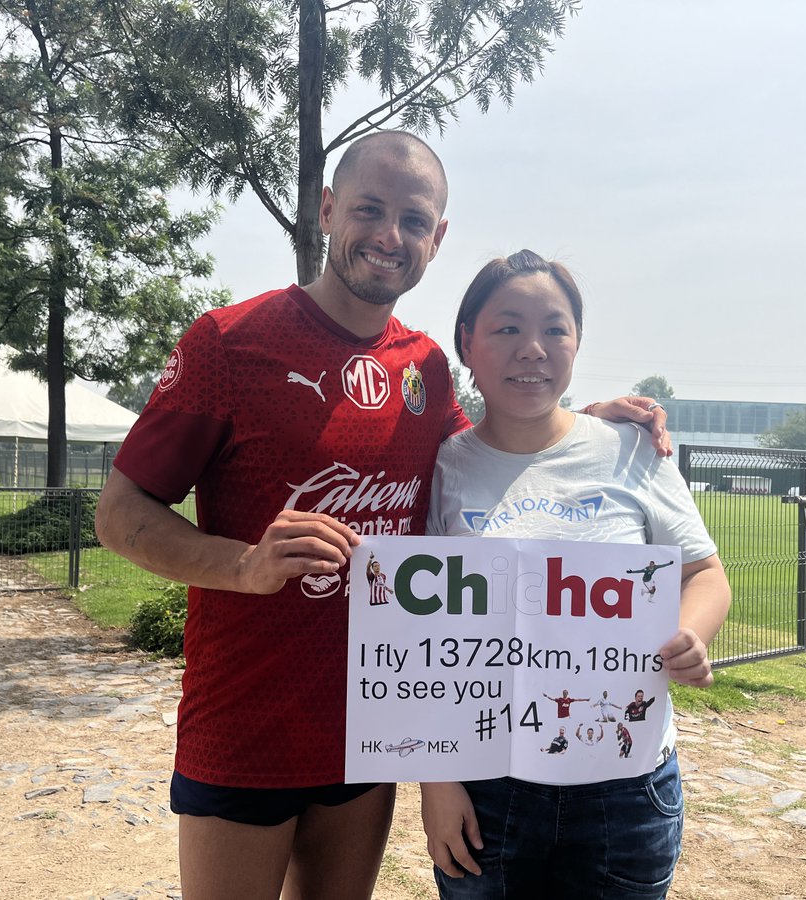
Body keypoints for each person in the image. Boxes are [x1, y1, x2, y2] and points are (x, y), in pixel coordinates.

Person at [94, 134, 673, 900]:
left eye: (413, 218)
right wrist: (241, 564)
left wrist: (578, 424)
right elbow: (119, 513)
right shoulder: (228, 341)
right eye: (369, 209)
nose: (388, 235)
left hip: (372, 729)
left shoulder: (427, 369)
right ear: (328, 211)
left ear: (437, 238)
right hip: (245, 724)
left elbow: (485, 454)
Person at [422, 249, 732, 898]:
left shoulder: (632, 450)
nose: (532, 348)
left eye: (555, 329)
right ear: (467, 342)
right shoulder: (445, 466)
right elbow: (427, 645)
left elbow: (705, 574)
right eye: (507, 328)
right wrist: (438, 783)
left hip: (625, 792)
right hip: (486, 792)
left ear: (577, 342)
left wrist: (689, 636)